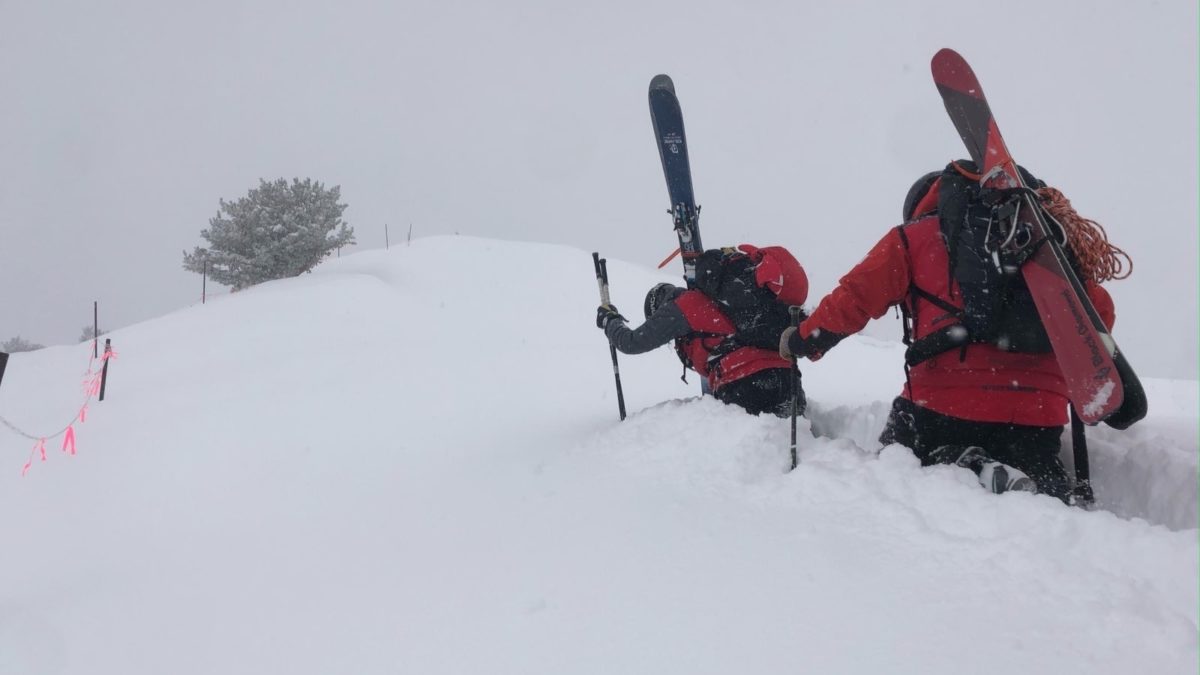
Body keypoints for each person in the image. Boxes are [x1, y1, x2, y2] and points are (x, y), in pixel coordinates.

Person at [780, 160, 1131, 501]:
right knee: (1036, 471)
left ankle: (961, 461)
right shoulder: (1047, 245)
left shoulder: (914, 238)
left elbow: (855, 297)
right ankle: (1043, 481)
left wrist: (803, 339)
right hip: (1038, 411)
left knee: (896, 465)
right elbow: (1098, 315)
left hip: (944, 402)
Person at [597, 244, 808, 418]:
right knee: (783, 452)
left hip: (746, 387)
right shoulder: (726, 296)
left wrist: (610, 321)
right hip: (790, 381)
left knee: (753, 460)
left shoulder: (683, 307)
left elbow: (632, 342)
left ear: (658, 306)